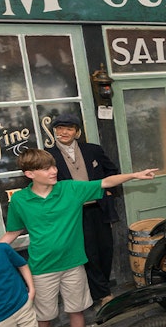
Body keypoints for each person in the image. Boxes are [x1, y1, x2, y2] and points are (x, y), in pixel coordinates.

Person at [0, 148, 157, 327]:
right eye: (46, 168)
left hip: (74, 264)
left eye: (53, 166)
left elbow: (105, 181)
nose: (54, 171)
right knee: (44, 318)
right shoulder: (20, 200)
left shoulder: (69, 189)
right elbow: (13, 232)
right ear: (30, 173)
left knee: (77, 310)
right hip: (41, 269)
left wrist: (134, 175)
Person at [46, 113, 120, 306]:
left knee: (106, 249)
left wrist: (109, 191)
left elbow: (111, 170)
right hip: (73, 213)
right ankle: (104, 294)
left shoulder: (93, 150)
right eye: (59, 128)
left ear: (77, 132)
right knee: (89, 253)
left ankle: (98, 289)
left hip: (99, 207)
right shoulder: (48, 156)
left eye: (69, 128)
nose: (63, 132)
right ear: (55, 131)